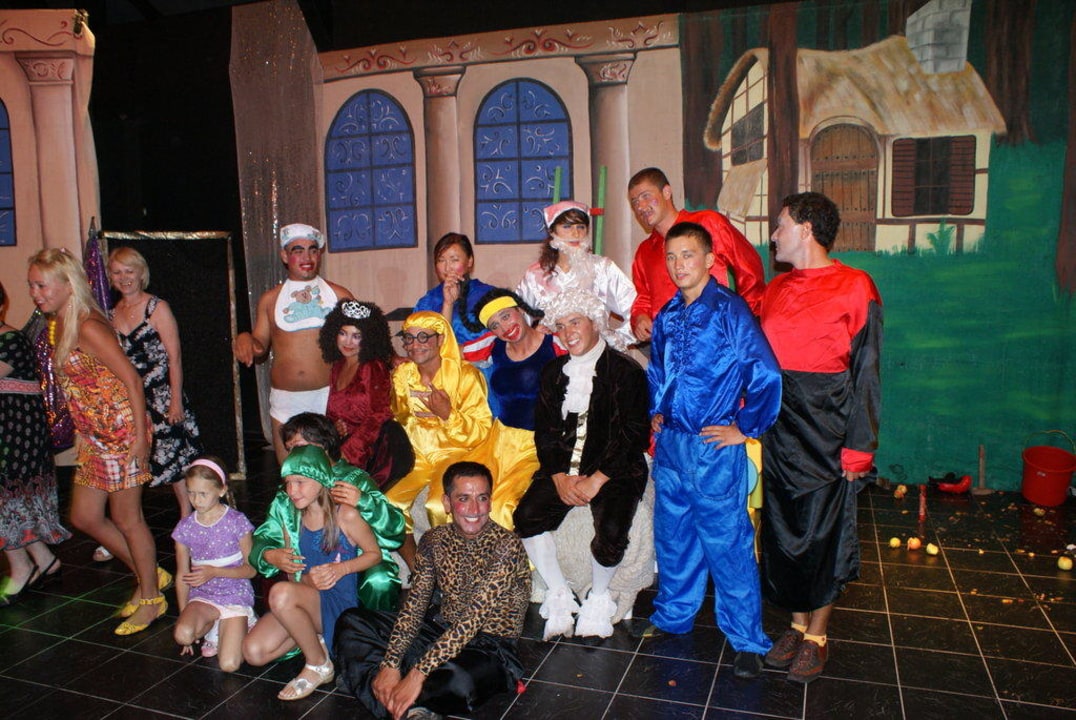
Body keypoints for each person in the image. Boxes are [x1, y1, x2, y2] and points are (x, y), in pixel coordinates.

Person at [641, 221, 782, 678]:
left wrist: (745, 428)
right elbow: (657, 371)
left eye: (687, 255)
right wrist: (657, 410)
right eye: (671, 256)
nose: (678, 264)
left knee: (728, 544)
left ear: (708, 260)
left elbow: (765, 372)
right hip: (672, 446)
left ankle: (746, 639)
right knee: (673, 537)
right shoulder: (667, 314)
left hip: (712, 448)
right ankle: (674, 615)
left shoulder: (729, 310)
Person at [759, 192, 883, 684]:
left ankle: (817, 635)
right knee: (784, 531)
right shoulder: (775, 289)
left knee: (825, 534)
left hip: (829, 429)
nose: (773, 235)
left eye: (781, 225)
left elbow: (867, 373)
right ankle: (795, 624)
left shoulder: (856, 286)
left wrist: (860, 446)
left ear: (806, 229)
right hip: (780, 427)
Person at [27, 249, 167, 636]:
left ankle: (152, 598)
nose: (35, 293)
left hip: (122, 432)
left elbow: (132, 380)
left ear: (67, 285)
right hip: (95, 435)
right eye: (32, 285)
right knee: (84, 516)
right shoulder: (62, 323)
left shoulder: (88, 326)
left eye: (42, 285)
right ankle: (149, 574)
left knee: (127, 518)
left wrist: (140, 441)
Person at [335, 461, 531, 720]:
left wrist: (418, 673)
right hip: (438, 629)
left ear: (490, 502)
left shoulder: (506, 546)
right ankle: (407, 700)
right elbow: (415, 606)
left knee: (459, 683)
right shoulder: (434, 540)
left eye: (482, 498)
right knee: (352, 621)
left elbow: (471, 621)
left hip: (489, 647)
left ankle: (379, 690)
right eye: (463, 498)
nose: (474, 509)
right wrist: (392, 663)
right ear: (447, 503)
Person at [513, 289, 650, 641]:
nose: (567, 332)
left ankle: (599, 597)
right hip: (563, 467)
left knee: (612, 529)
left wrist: (597, 479)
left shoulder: (626, 371)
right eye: (560, 325)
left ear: (594, 322)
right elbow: (545, 431)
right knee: (526, 516)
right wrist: (559, 477)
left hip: (616, 468)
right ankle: (559, 592)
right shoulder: (553, 372)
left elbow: (634, 434)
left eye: (575, 322)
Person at [244, 444, 382, 701]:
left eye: (300, 482)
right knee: (254, 652)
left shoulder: (345, 514)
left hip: (339, 605)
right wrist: (300, 575)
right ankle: (313, 637)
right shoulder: (292, 518)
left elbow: (375, 554)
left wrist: (342, 568)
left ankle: (318, 664)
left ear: (320, 480)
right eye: (288, 483)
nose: (291, 491)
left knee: (280, 594)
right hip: (307, 600)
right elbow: (293, 577)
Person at [254, 412, 404, 611]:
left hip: (360, 562)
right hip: (313, 569)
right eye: (290, 450)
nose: (294, 455)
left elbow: (395, 532)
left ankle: (373, 629)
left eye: (300, 447)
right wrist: (269, 555)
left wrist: (364, 502)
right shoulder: (290, 492)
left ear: (323, 446)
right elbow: (265, 537)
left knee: (379, 580)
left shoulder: (354, 480)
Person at [232, 223, 353, 462]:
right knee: (290, 472)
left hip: (328, 398)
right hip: (286, 401)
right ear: (285, 256)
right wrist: (246, 338)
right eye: (298, 250)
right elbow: (259, 346)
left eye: (312, 250)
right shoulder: (270, 299)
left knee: (329, 471)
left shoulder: (340, 295)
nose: (307, 257)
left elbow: (366, 338)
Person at [386, 311, 492, 568]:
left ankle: (457, 569)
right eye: (408, 338)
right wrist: (402, 390)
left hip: (455, 452)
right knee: (389, 503)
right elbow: (398, 416)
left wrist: (447, 414)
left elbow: (482, 429)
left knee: (437, 504)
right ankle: (418, 568)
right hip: (417, 453)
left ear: (441, 339)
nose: (415, 345)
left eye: (424, 337)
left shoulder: (466, 375)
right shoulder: (403, 374)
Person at [108, 247, 202, 519]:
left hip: (163, 394)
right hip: (133, 397)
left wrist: (175, 401)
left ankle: (188, 516)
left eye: (129, 271)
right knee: (144, 457)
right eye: (117, 272)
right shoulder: (111, 313)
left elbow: (175, 358)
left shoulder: (157, 307)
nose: (124, 278)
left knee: (177, 458)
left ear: (141, 273)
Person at [461, 289, 563, 529]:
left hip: (538, 444)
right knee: (463, 495)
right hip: (499, 441)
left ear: (520, 310)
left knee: (499, 506)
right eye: (495, 325)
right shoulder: (493, 346)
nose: (504, 328)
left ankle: (505, 554)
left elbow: (594, 350)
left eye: (506, 316)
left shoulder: (555, 344)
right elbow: (450, 351)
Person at [627, 167, 766, 342]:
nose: (640, 206)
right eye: (635, 202)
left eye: (645, 196)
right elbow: (643, 298)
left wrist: (744, 320)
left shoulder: (708, 223)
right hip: (671, 347)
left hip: (717, 341)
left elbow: (748, 267)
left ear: (667, 192)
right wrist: (640, 317)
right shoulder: (644, 251)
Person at [0, 280, 70, 606]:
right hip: (10, 433)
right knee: (12, 501)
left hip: (17, 434)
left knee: (8, 499)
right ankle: (44, 559)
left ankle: (21, 566)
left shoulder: (11, 340)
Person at [171, 457, 256, 671]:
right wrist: (184, 612)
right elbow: (182, 576)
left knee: (229, 664)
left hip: (234, 593)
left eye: (203, 494)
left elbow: (251, 569)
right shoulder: (185, 527)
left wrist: (215, 572)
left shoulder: (236, 522)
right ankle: (215, 627)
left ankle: (241, 623)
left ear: (221, 490)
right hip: (203, 595)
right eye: (191, 493)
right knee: (183, 635)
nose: (196, 500)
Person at [517, 200, 637, 349]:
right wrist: (535, 335)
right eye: (567, 226)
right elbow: (519, 319)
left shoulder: (602, 268)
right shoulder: (536, 275)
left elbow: (636, 310)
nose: (575, 233)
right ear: (552, 231)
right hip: (552, 357)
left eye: (581, 226)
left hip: (596, 356)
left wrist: (614, 340)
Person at [320, 299, 409, 486]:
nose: (348, 342)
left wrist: (348, 452)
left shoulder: (372, 367)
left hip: (373, 451)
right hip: (344, 446)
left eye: (356, 336)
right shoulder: (338, 365)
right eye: (343, 333)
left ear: (368, 338)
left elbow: (380, 414)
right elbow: (333, 411)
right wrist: (334, 428)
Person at [413, 233, 495, 363]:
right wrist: (448, 304)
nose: (447, 268)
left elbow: (500, 341)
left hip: (482, 370)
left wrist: (462, 352)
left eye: (454, 260)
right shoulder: (427, 302)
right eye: (441, 260)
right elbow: (422, 346)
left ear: (469, 261)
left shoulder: (489, 295)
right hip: (441, 371)